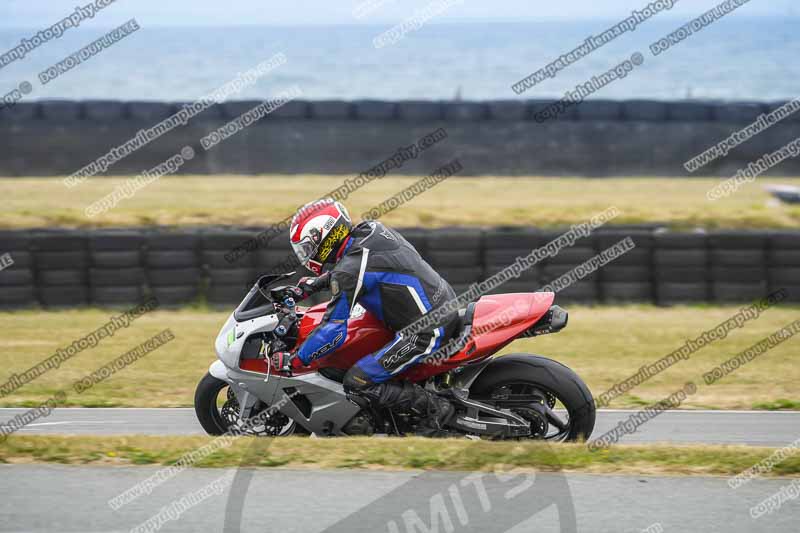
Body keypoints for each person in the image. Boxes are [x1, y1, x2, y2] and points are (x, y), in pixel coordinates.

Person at [270, 199, 460, 435]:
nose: (306, 256)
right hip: (442, 304)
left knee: (357, 381)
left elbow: (333, 332)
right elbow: (362, 269)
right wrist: (312, 286)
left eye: (308, 248)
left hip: (426, 331)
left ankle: (437, 409)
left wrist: (295, 361)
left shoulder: (348, 270)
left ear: (326, 237)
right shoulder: (371, 231)